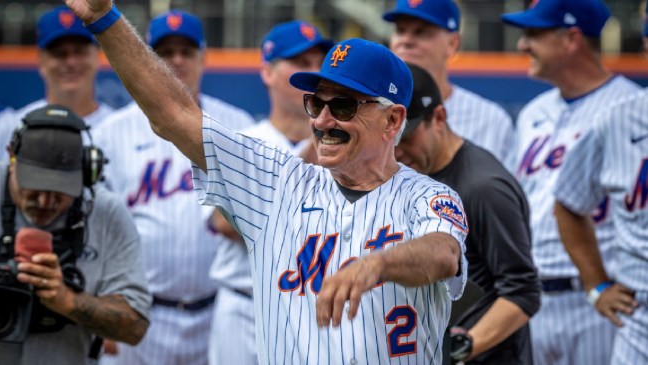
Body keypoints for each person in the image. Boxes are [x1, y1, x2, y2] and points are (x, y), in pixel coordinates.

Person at [62, 2, 470, 363]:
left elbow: (443, 255)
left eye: (343, 105)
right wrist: (105, 20)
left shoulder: (429, 195)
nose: (324, 121)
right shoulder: (278, 183)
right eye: (317, 102)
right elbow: (175, 114)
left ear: (393, 120)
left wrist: (378, 263)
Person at [93, 10, 255, 365]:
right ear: (148, 59)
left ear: (203, 56)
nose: (177, 60)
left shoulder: (238, 125)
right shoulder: (112, 132)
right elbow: (96, 225)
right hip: (137, 315)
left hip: (217, 315)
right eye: (165, 52)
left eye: (186, 51)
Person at [500, 1, 643, 364]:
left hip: (597, 304)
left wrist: (597, 287)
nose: (522, 44)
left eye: (534, 34)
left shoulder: (628, 107)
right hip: (532, 297)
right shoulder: (533, 112)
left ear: (572, 38)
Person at [395, 63, 540, 364]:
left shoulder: (484, 187)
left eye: (406, 138)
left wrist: (463, 347)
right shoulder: (412, 176)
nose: (397, 150)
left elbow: (523, 292)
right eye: (391, 139)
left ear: (439, 117)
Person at [207, 19, 333, 365]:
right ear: (268, 73)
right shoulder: (244, 141)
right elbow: (224, 223)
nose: (313, 72)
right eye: (300, 63)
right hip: (246, 307)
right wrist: (309, 156)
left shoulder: (343, 145)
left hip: (312, 311)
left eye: (318, 63)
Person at [0, 105, 151, 365]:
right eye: (33, 185)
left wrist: (67, 300)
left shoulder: (106, 212)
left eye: (60, 190)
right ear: (12, 157)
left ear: (87, 172)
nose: (45, 201)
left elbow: (135, 327)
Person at [383, 0, 515, 164]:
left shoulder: (491, 120)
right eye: (400, 30)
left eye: (421, 32)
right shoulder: (371, 109)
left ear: (453, 44)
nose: (406, 41)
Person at [0, 6, 113, 162]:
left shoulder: (118, 127)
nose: (71, 62)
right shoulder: (14, 126)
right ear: (41, 61)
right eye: (59, 53)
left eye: (79, 51)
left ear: (96, 56)